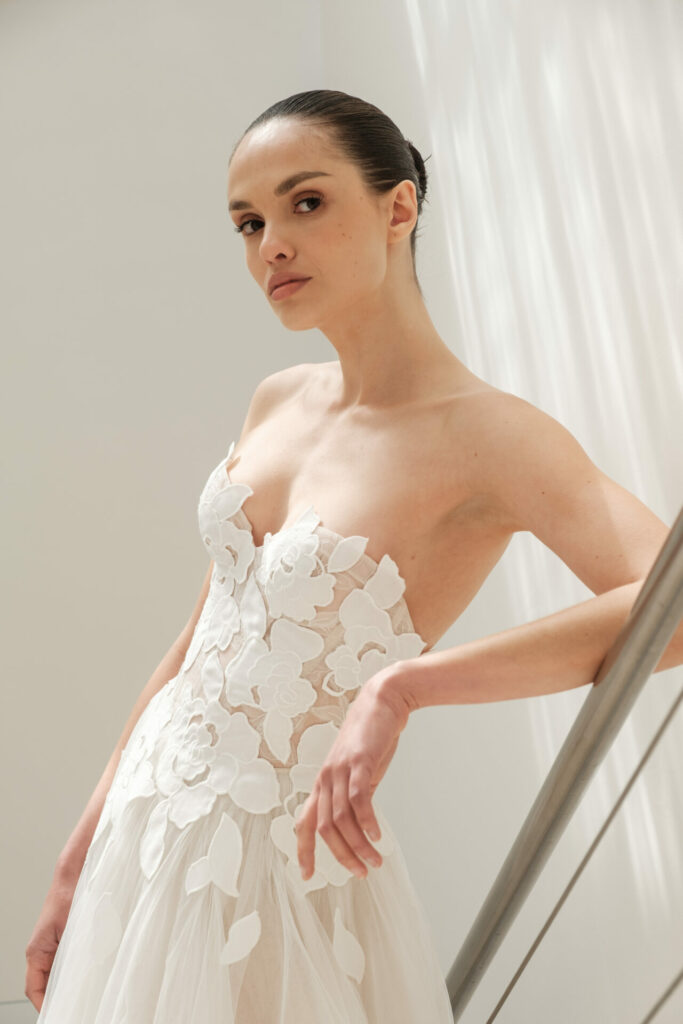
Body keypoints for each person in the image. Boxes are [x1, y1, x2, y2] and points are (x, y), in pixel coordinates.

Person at [26, 88, 680, 1022]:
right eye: (247, 223)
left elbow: (670, 609)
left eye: (305, 202)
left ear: (399, 206)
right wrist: (75, 861)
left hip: (275, 882)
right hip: (146, 839)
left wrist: (405, 686)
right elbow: (196, 645)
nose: (270, 247)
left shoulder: (491, 437)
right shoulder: (276, 399)